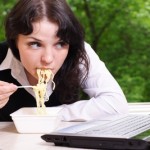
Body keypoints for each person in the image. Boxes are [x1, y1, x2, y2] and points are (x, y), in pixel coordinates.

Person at [0, 0, 128, 121]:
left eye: (60, 44)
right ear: (15, 41)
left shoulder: (79, 52)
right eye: (35, 44)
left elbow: (115, 105)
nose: (48, 59)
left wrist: (51, 115)